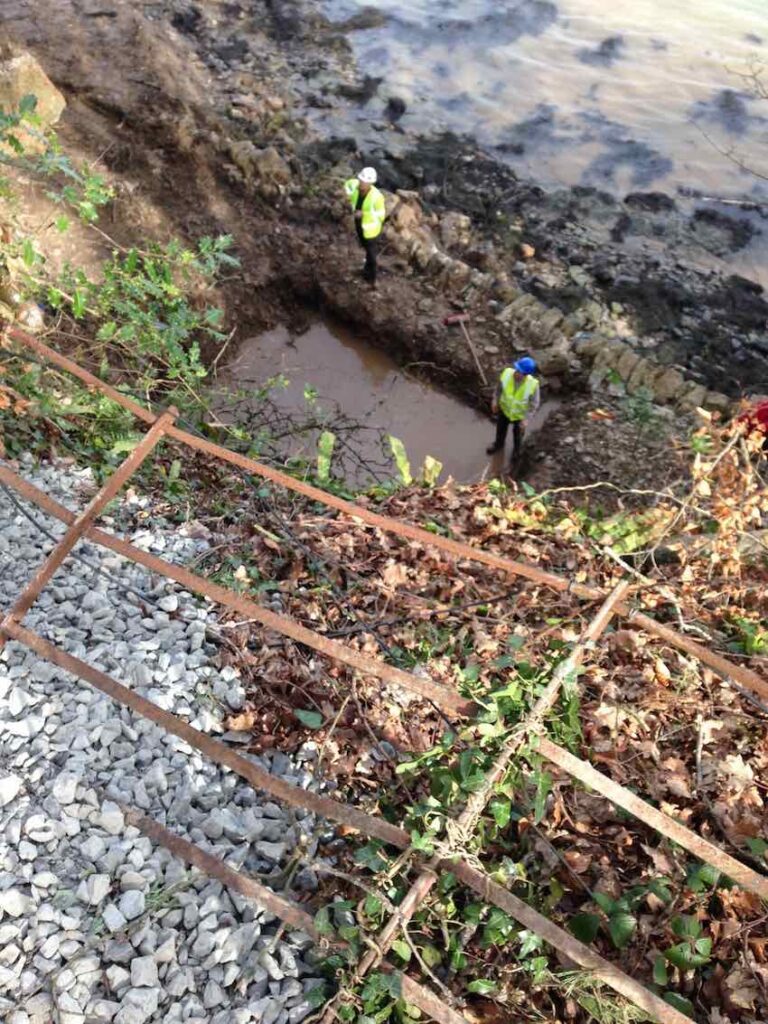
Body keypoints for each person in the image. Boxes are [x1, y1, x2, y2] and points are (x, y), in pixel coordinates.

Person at [486, 356, 540, 465]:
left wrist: (526, 419)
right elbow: (498, 390)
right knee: (500, 431)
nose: (516, 373)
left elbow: (534, 404)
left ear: (526, 375)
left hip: (519, 416)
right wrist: (495, 402)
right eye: (516, 370)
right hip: (504, 411)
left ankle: (516, 452)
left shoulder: (533, 385)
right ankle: (498, 445)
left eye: (520, 372)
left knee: (518, 436)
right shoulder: (506, 374)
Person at [343, 167, 386, 286]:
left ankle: (372, 279)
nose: (362, 183)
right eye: (361, 180)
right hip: (359, 224)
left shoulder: (377, 197)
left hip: (371, 230)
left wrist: (364, 214)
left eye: (365, 182)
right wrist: (346, 195)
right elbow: (347, 184)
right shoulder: (355, 185)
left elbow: (381, 215)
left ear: (371, 183)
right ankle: (365, 271)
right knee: (366, 249)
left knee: (371, 255)